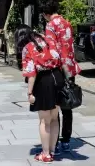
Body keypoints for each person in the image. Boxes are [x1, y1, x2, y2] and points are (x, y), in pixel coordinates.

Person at [41, 0, 82, 153]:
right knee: (67, 102)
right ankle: (66, 140)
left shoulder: (51, 26)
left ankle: (55, 142)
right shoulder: (67, 23)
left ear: (46, 13)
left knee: (55, 105)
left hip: (58, 68)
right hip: (70, 67)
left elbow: (53, 50)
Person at [22, 28, 64, 163]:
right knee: (54, 118)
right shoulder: (52, 42)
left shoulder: (29, 47)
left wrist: (29, 92)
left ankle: (45, 154)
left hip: (43, 81)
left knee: (44, 121)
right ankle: (52, 151)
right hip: (58, 78)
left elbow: (31, 73)